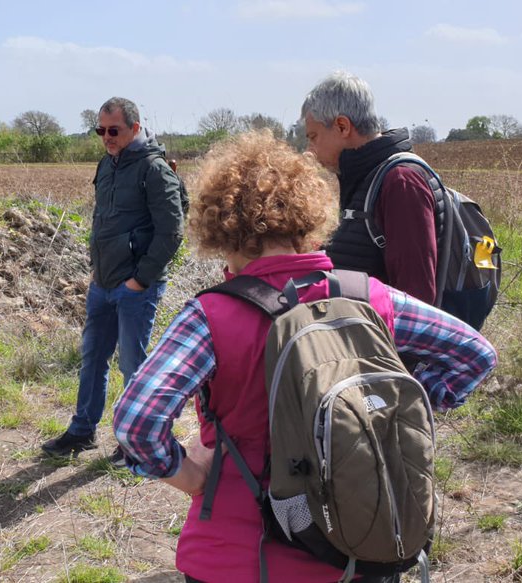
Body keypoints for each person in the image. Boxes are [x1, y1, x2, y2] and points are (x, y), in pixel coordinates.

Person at [113, 132, 496, 582]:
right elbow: (476, 354)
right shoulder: (370, 297)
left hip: (237, 556)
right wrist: (385, 413)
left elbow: (136, 421)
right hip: (360, 543)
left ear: (219, 229)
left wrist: (189, 475)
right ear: (307, 218)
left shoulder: (211, 315)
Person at [41, 97, 185, 460]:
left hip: (135, 288)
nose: (106, 136)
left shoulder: (154, 169)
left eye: (114, 130)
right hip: (102, 283)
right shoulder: (107, 164)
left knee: (132, 365)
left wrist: (140, 280)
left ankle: (136, 442)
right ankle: (81, 431)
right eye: (101, 130)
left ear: (135, 128)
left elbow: (172, 232)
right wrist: (97, 269)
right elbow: (103, 221)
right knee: (92, 359)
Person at [303, 70, 438, 305]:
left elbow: (417, 301)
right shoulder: (365, 179)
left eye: (313, 137)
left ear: (342, 126)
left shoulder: (401, 183)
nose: (310, 150)